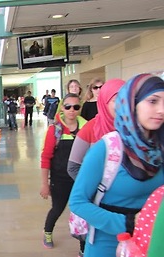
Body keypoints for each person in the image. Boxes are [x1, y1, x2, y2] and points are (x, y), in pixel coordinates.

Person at [69, 73, 164, 257]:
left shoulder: (160, 148)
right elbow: (78, 202)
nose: (161, 110)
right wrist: (129, 223)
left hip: (153, 243)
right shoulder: (108, 148)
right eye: (153, 101)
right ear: (131, 103)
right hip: (108, 245)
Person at [67, 78, 125, 257]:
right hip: (99, 208)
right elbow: (73, 166)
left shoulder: (135, 131)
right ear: (105, 101)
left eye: (126, 98)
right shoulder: (91, 128)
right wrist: (95, 188)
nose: (123, 105)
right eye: (116, 100)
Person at [40, 93, 87, 249]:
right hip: (59, 179)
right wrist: (44, 184)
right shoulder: (55, 130)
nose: (71, 110)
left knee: (82, 212)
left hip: (81, 179)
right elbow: (46, 157)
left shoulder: (86, 128)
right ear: (62, 108)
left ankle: (83, 246)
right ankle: (47, 231)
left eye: (76, 107)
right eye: (68, 106)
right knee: (58, 208)